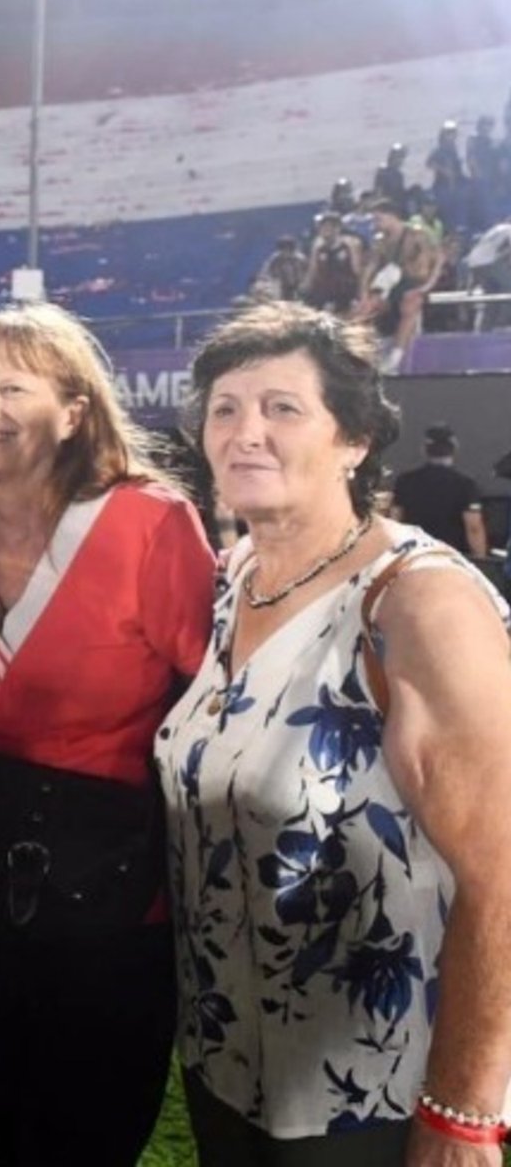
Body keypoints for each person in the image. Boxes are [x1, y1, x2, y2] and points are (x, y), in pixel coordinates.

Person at [160, 302, 511, 1165]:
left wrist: (462, 1108)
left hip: (376, 1092)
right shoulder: (234, 576)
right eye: (226, 409)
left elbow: (502, 870)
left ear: (353, 439)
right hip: (230, 1066)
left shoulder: (418, 599)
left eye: (283, 408)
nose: (247, 432)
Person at [0, 303, 214, 1166]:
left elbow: (213, 701)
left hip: (113, 893)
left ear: (77, 410)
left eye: (13, 385)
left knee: (91, 1131)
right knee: (4, 1125)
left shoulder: (148, 522)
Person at [391, 422, 489, 558]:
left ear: (424, 450)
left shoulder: (405, 481)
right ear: (454, 449)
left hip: (414, 557)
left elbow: (396, 521)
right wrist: (481, 562)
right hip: (453, 559)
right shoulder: (466, 484)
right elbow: (474, 527)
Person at [364, 199, 441, 370]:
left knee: (409, 306)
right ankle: (367, 356)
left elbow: (437, 262)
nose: (376, 224)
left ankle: (395, 359)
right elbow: (370, 268)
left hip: (417, 283)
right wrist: (364, 295)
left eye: (378, 219)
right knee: (366, 310)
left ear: (392, 216)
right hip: (394, 283)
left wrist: (424, 288)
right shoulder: (381, 241)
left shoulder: (417, 234)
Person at [303, 212, 365, 316]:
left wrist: (360, 296)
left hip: (346, 297)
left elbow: (357, 271)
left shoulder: (349, 245)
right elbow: (313, 271)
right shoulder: (318, 249)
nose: (324, 230)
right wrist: (305, 290)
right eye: (322, 227)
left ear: (337, 228)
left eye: (329, 226)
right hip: (325, 297)